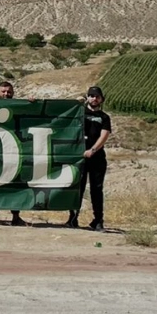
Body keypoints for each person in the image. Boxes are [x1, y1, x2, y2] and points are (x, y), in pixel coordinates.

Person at [71, 85, 113, 231]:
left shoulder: (104, 117)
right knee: (77, 189)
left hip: (97, 158)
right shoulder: (79, 113)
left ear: (101, 99)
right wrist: (76, 103)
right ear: (87, 97)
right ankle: (73, 218)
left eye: (97, 96)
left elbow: (104, 135)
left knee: (96, 190)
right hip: (79, 158)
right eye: (91, 96)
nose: (94, 99)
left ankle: (98, 220)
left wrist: (92, 150)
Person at [0, 81, 25, 226]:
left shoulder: (19, 107)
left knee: (15, 183)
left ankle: (16, 216)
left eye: (8, 92)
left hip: (14, 151)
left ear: (13, 92)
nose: (6, 94)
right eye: (3, 91)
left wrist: (33, 102)